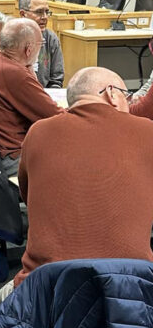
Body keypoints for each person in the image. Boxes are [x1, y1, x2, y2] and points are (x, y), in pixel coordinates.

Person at [12, 67, 153, 289]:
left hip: (45, 290)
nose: (129, 104)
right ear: (112, 93)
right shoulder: (147, 131)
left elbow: (28, 197)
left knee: (5, 296)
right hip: (131, 290)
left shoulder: (37, 132)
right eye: (127, 96)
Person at [0, 18, 64, 176]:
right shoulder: (14, 74)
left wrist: (28, 70)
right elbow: (56, 117)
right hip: (10, 157)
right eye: (40, 45)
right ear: (29, 49)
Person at [18, 0, 64, 88]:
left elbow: (56, 79)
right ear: (23, 14)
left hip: (45, 93)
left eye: (47, 12)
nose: (44, 17)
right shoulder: (11, 37)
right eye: (39, 12)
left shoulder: (51, 38)